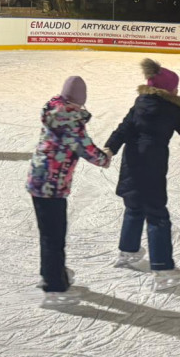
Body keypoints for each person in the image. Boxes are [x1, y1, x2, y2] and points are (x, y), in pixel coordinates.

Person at [106, 59, 180, 291]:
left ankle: (127, 253)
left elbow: (122, 129)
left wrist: (109, 149)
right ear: (168, 90)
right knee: (157, 216)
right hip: (152, 169)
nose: (177, 91)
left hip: (131, 166)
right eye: (175, 88)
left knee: (134, 208)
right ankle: (162, 269)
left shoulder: (139, 104)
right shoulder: (170, 110)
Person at [26, 76, 112, 307]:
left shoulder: (53, 109)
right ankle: (55, 288)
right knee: (55, 236)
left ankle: (51, 272)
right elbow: (89, 151)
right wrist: (106, 157)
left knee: (49, 233)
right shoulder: (71, 121)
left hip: (38, 180)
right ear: (78, 101)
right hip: (52, 185)